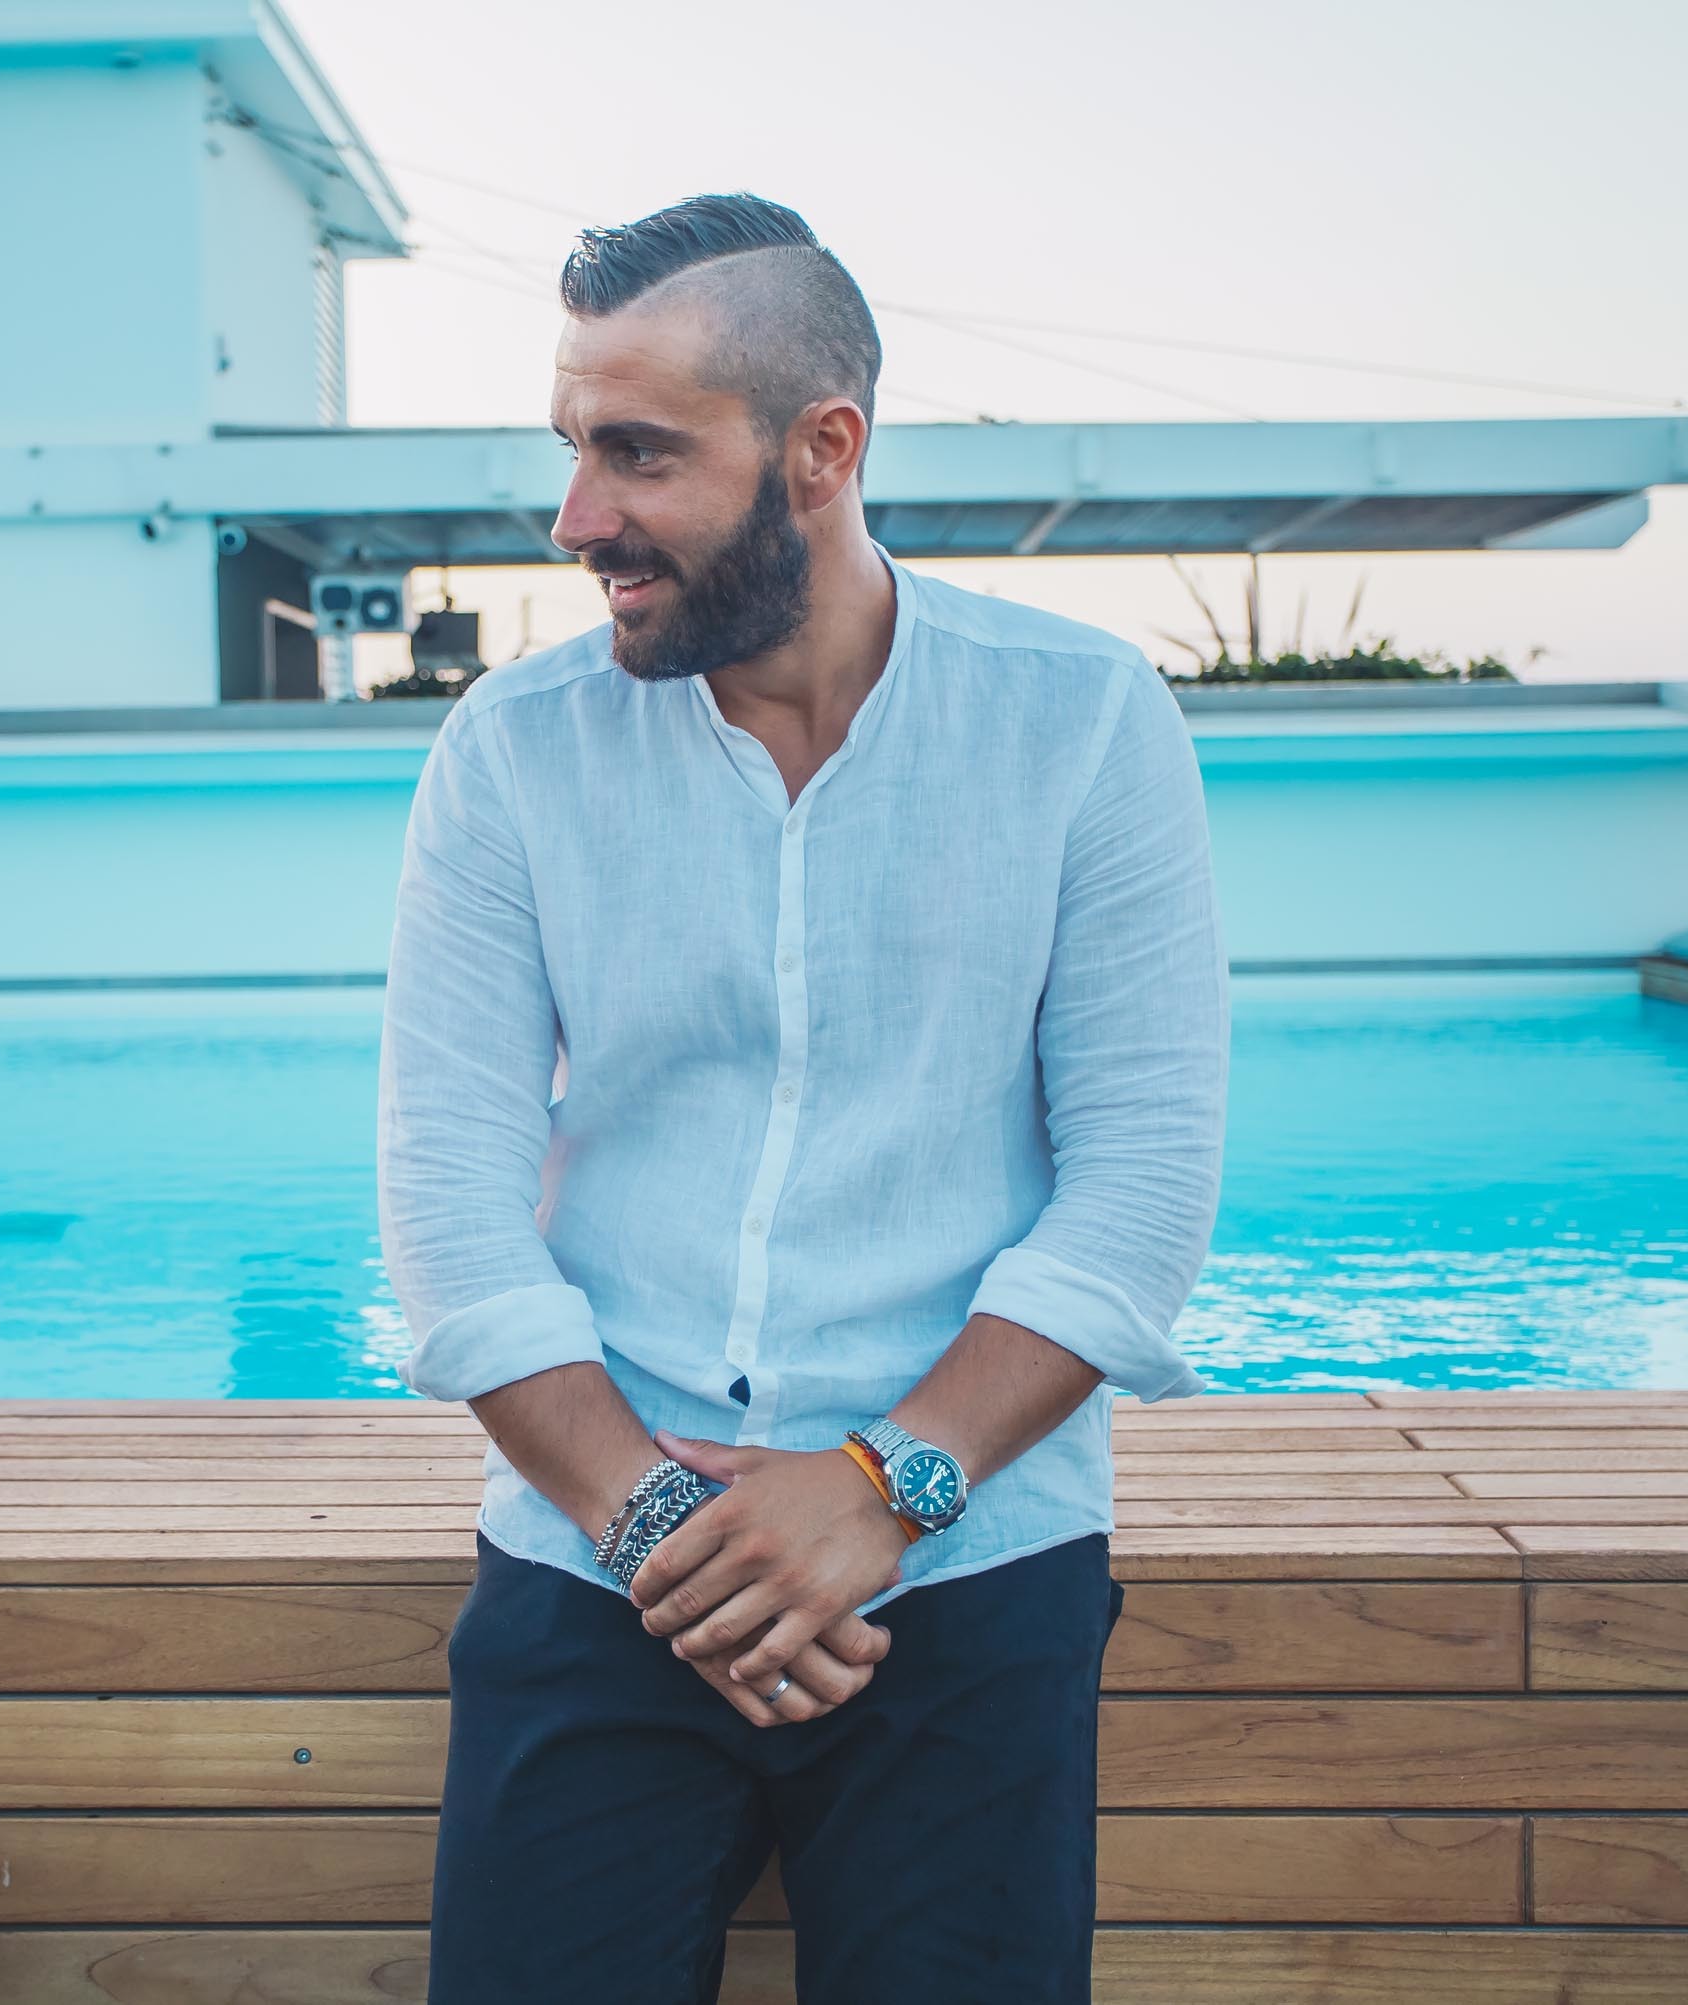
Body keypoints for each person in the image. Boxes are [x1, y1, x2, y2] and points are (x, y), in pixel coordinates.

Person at [377, 193, 1226, 2004]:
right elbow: (448, 1203)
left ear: (821, 450)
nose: (574, 518)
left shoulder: (1081, 719)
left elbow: (1141, 1189)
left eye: (637, 454)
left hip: (971, 1566)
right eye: (572, 448)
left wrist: (884, 1490)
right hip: (598, 1566)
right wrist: (652, 1529)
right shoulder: (509, 752)